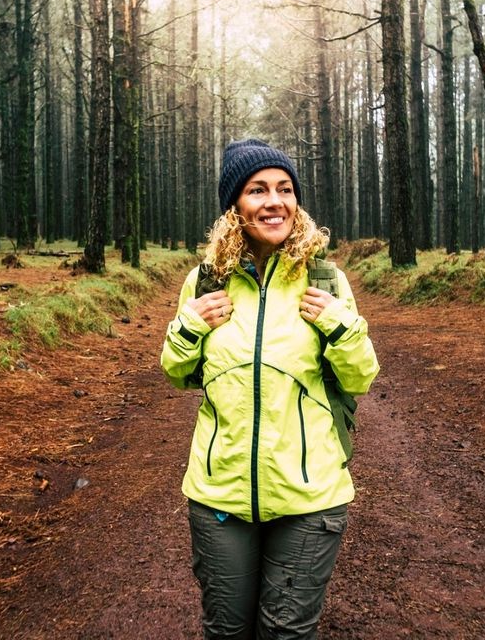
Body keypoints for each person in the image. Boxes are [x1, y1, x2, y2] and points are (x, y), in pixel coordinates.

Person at [160, 139, 380, 639]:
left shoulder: (325, 278)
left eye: (284, 189)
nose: (273, 201)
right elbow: (176, 372)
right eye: (257, 190)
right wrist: (190, 328)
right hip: (220, 494)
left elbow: (360, 377)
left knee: (287, 633)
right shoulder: (204, 281)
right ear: (234, 206)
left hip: (309, 495)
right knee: (227, 630)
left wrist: (342, 328)